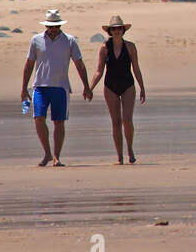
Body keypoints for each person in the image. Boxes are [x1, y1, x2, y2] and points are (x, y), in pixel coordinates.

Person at [21, 9, 93, 166]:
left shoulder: (69, 40)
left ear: (60, 26)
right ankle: (47, 153)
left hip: (60, 87)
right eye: (50, 26)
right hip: (40, 87)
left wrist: (86, 86)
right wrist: (23, 88)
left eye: (56, 26)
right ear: (46, 26)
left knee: (59, 122)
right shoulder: (36, 40)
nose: (53, 29)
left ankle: (56, 156)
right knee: (39, 119)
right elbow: (29, 64)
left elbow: (79, 63)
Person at [89, 15, 146, 165]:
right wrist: (90, 88)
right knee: (116, 122)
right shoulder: (104, 48)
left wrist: (142, 87)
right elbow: (99, 71)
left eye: (119, 28)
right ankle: (119, 156)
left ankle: (130, 149)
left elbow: (136, 69)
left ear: (123, 30)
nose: (117, 31)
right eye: (114, 29)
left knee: (127, 120)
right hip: (110, 87)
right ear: (110, 31)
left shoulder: (130, 47)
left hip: (128, 85)